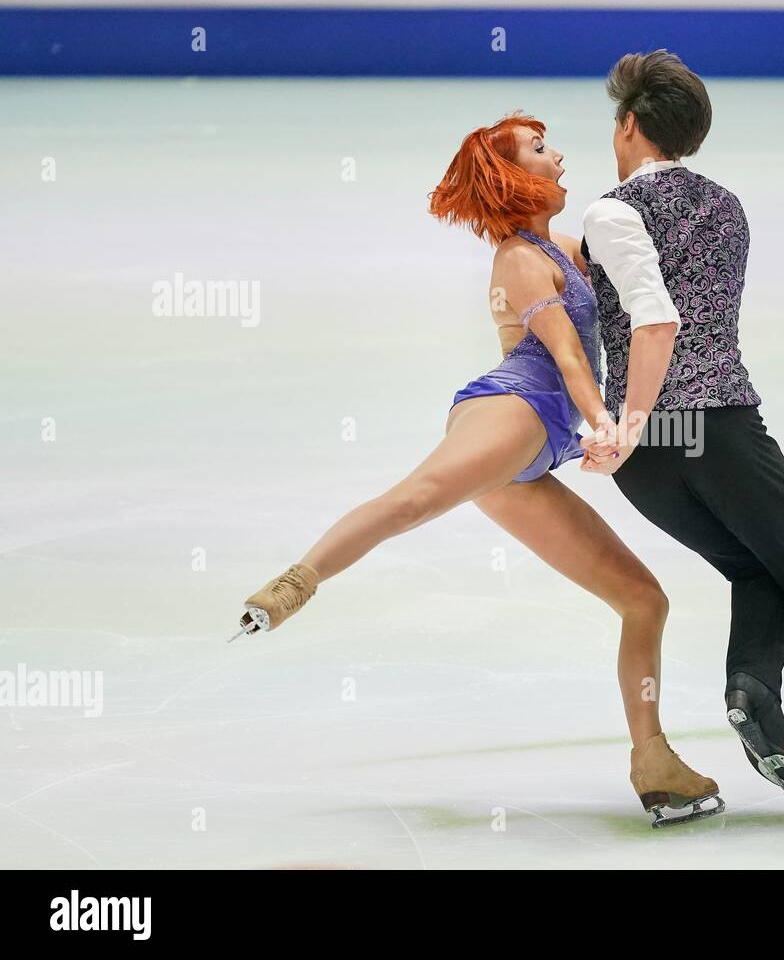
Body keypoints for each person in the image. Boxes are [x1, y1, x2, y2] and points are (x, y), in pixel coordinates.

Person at [229, 112, 723, 829]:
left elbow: (636, 268)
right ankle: (292, 584)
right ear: (513, 177)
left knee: (643, 600)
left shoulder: (556, 244)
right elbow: (567, 354)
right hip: (517, 409)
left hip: (536, 449)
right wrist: (605, 422)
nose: (560, 156)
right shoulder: (518, 261)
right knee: (416, 500)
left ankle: (653, 759)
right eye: (540, 149)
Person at [577, 51, 784, 830]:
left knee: (760, 570)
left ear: (628, 126)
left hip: (649, 459)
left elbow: (627, 309)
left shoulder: (610, 212)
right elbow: (665, 318)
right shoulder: (728, 208)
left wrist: (626, 431)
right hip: (720, 434)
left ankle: (752, 688)